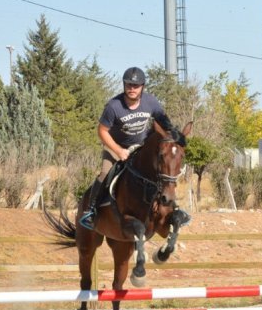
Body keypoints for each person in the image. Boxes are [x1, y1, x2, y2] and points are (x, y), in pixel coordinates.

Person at [78, 66, 190, 230]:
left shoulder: (150, 101)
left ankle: (172, 210)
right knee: (104, 173)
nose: (131, 88)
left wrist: (175, 136)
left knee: (161, 171)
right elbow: (102, 131)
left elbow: (164, 122)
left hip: (140, 146)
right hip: (116, 147)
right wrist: (118, 150)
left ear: (142, 87)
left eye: (135, 86)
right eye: (128, 85)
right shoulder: (114, 106)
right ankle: (91, 211)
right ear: (124, 85)